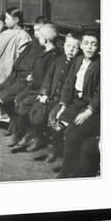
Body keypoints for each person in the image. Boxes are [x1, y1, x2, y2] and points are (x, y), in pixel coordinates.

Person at [0, 15, 49, 130]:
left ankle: (15, 123)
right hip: (16, 73)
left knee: (4, 96)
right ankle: (10, 118)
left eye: (39, 31)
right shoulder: (32, 43)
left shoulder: (45, 48)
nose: (36, 33)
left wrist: (30, 75)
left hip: (26, 78)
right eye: (35, 30)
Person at [7, 24, 61, 150]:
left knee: (24, 105)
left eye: (40, 36)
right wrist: (32, 76)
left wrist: (43, 93)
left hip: (41, 90)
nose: (38, 38)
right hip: (33, 86)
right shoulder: (44, 52)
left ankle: (33, 136)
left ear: (45, 39)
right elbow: (38, 70)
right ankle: (21, 132)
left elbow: (49, 78)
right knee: (18, 99)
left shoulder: (54, 56)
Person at [28, 33, 81, 161]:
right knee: (36, 111)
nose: (71, 50)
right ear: (64, 46)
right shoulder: (59, 59)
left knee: (53, 117)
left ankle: (54, 147)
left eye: (75, 47)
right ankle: (38, 137)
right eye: (68, 46)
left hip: (64, 100)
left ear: (79, 49)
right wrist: (44, 93)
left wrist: (64, 102)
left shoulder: (78, 63)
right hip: (52, 95)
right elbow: (49, 77)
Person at [57, 30, 100, 178]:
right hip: (76, 102)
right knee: (58, 123)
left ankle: (67, 172)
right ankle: (69, 164)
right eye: (86, 43)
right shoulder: (78, 60)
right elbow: (69, 84)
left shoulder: (100, 64)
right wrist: (63, 105)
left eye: (94, 44)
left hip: (93, 109)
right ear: (81, 45)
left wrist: (89, 111)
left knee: (72, 133)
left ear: (98, 46)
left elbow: (102, 92)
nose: (89, 47)